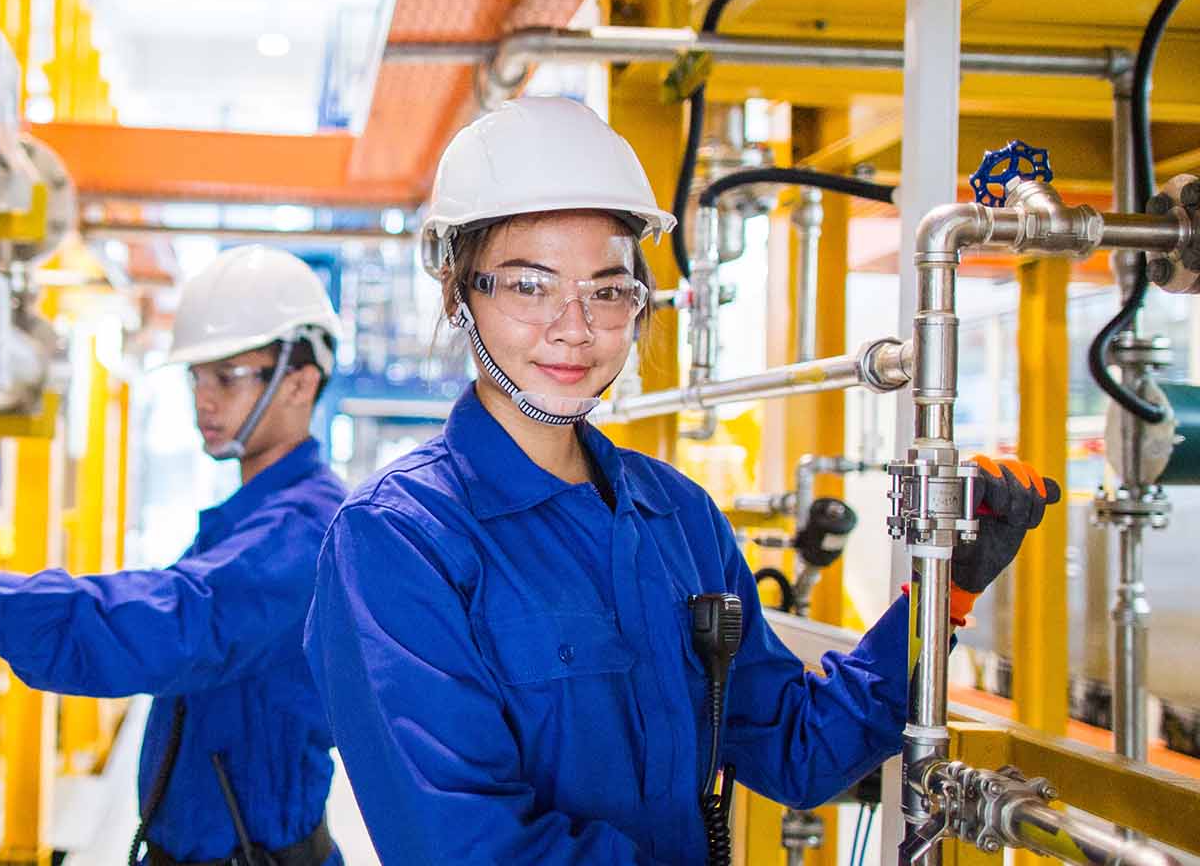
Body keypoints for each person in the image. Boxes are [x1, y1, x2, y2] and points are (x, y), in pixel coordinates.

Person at [301, 97, 1057, 865]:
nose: (575, 326)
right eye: (530, 286)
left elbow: (796, 752)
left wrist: (941, 594)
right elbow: (460, 847)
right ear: (460, 293)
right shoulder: (397, 539)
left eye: (607, 289)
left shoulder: (677, 515)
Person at [0, 245, 349, 866]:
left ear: (300, 382)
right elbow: (158, 596)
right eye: (196, 376)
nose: (203, 399)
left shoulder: (307, 528)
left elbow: (169, 622)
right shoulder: (257, 514)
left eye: (227, 376)